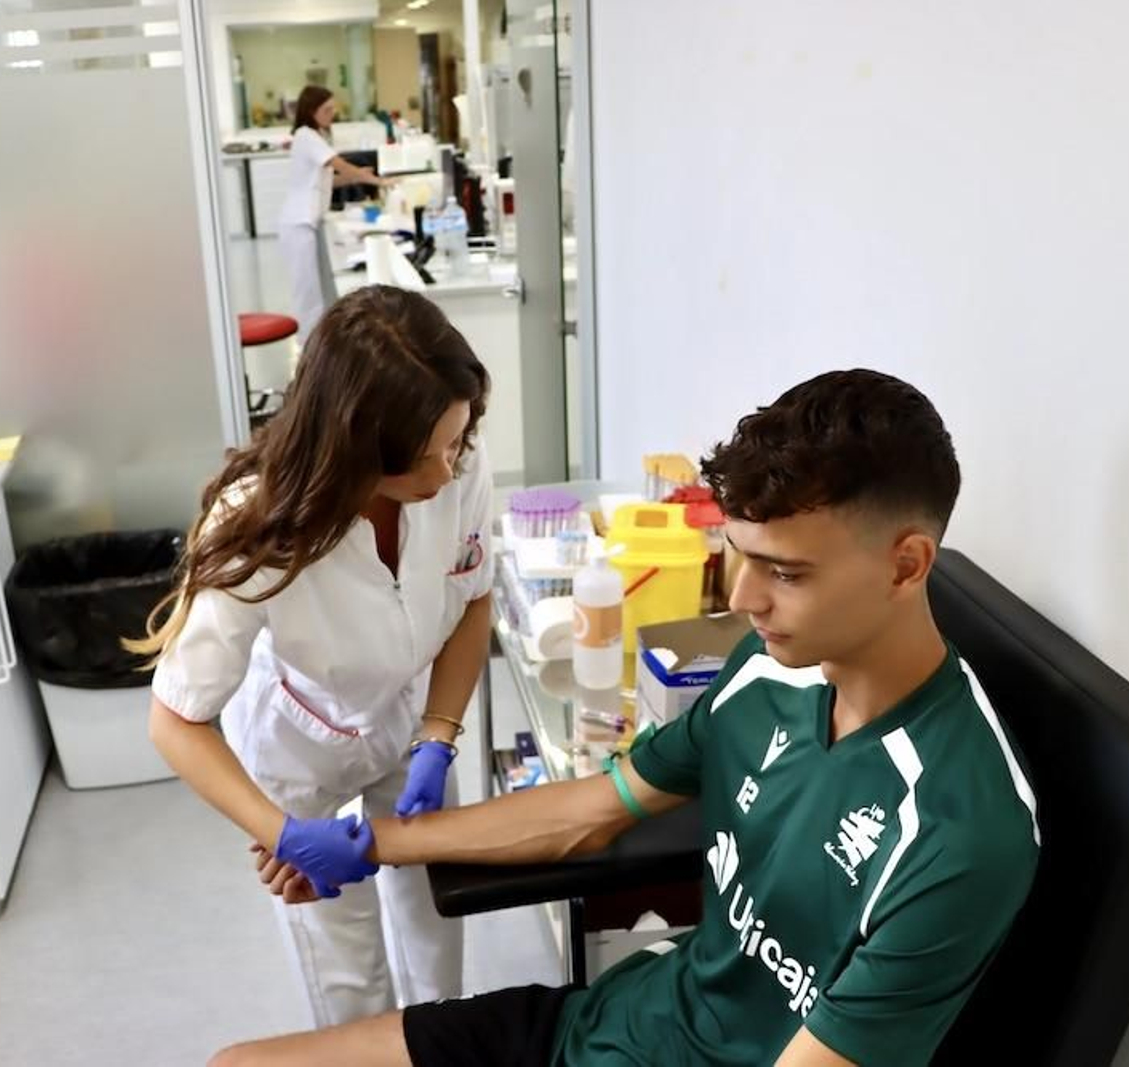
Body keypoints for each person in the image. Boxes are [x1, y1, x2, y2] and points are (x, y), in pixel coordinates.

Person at [211, 369, 1041, 1067]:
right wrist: (365, 842)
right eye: (741, 557)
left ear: (906, 565)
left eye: (785, 573)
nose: (743, 599)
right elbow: (592, 808)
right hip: (612, 1023)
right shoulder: (767, 673)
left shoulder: (959, 831)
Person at [130, 285, 494, 1029]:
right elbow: (175, 720)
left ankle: (438, 1045)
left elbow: (473, 598)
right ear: (357, 451)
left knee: (435, 921)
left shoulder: (457, 459)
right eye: (423, 459)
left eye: (454, 443)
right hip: (300, 739)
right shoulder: (257, 522)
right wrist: (282, 833)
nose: (446, 473)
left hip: (411, 712)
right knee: (344, 963)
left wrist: (439, 734)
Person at [279, 85, 390, 346]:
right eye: (327, 109)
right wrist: (376, 180)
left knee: (320, 288)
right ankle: (309, 349)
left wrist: (358, 175)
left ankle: (323, 343)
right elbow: (339, 165)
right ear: (311, 111)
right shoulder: (306, 136)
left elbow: (329, 180)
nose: (332, 114)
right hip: (298, 223)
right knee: (308, 293)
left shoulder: (316, 136)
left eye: (332, 109)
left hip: (310, 222)